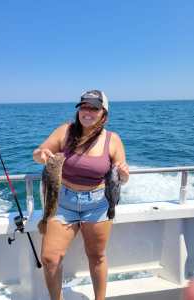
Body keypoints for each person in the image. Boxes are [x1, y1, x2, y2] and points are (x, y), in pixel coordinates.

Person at [33, 90, 129, 300]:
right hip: (62, 202)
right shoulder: (64, 131)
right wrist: (42, 155)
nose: (87, 112)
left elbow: (121, 178)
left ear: (104, 114)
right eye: (84, 107)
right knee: (50, 258)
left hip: (97, 205)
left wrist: (123, 173)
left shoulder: (113, 140)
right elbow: (39, 154)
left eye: (94, 108)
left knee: (96, 257)